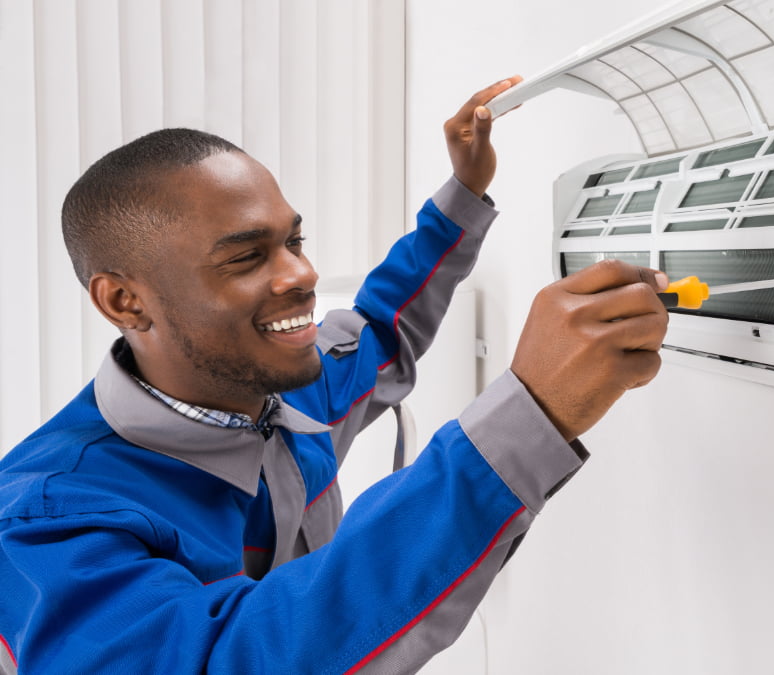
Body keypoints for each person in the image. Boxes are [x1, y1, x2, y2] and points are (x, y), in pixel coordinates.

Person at [0, 78, 669, 674]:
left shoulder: (289, 387)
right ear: (125, 301)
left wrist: (464, 195)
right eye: (246, 257)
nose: (303, 275)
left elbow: (383, 330)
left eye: (294, 241)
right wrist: (529, 414)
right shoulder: (49, 516)